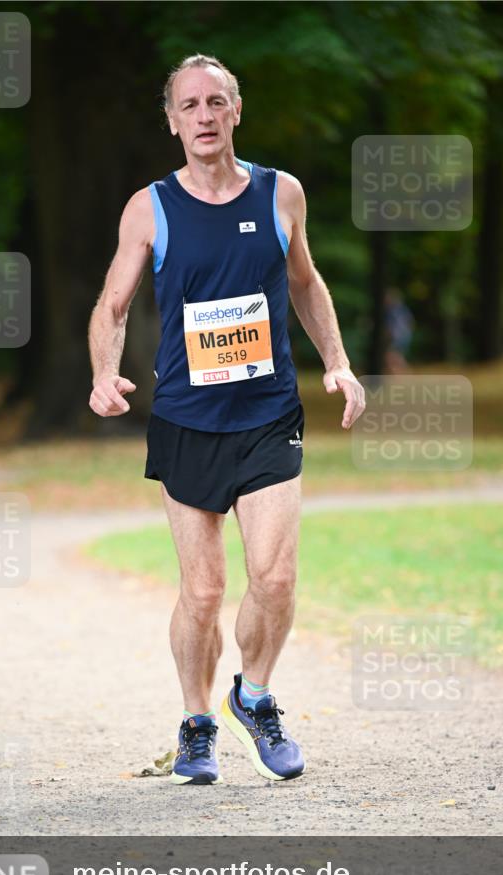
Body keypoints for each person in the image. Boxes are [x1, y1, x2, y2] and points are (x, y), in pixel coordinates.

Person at [88, 54, 365, 785]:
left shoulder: (281, 195)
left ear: (235, 111)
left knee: (273, 577)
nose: (204, 116)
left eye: (216, 102)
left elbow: (305, 282)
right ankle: (195, 723)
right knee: (203, 592)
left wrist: (335, 360)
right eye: (190, 105)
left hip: (268, 413)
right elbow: (110, 306)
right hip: (185, 417)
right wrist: (101, 371)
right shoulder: (149, 207)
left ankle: (255, 694)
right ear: (172, 121)